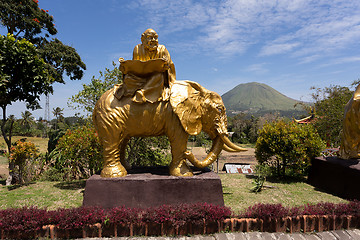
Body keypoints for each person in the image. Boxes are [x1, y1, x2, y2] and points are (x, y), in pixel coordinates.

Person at [114, 29, 176, 103]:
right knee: (128, 78)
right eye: (150, 37)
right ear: (143, 39)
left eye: (155, 38)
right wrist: (125, 67)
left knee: (158, 77)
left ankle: (142, 93)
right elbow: (135, 65)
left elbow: (170, 67)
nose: (153, 40)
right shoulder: (137, 49)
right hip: (140, 77)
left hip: (156, 76)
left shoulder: (162, 49)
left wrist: (166, 66)